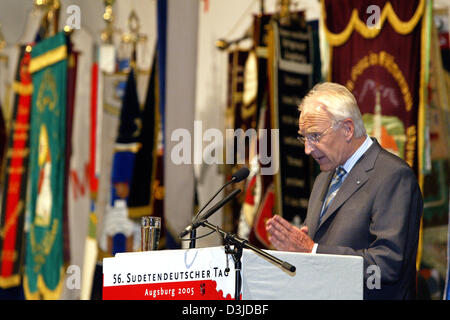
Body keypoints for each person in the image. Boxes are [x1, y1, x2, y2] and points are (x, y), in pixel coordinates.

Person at [265, 82, 423, 300]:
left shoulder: (393, 176)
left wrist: (313, 252)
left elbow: (386, 266)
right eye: (303, 137)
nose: (307, 149)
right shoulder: (323, 179)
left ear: (347, 129)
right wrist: (298, 254)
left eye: (315, 136)